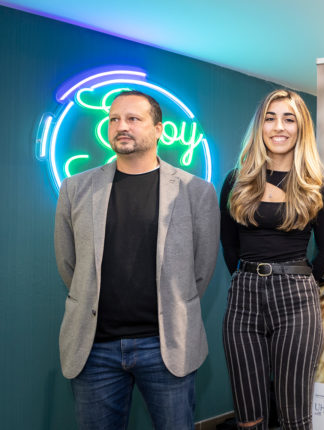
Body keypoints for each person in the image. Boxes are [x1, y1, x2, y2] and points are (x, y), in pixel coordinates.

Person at [54, 90, 220, 430]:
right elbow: (69, 263)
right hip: (94, 349)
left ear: (158, 130)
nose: (121, 126)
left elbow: (201, 270)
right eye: (114, 119)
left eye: (133, 118)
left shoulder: (195, 190)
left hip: (167, 346)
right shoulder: (75, 188)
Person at [220, 89, 324, 429]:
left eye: (289, 119)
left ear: (301, 128)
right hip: (243, 301)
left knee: (294, 416)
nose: (279, 127)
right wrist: (247, 278)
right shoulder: (237, 180)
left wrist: (299, 279)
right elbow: (228, 244)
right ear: (260, 127)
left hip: (297, 302)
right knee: (248, 415)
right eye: (270, 118)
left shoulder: (315, 186)